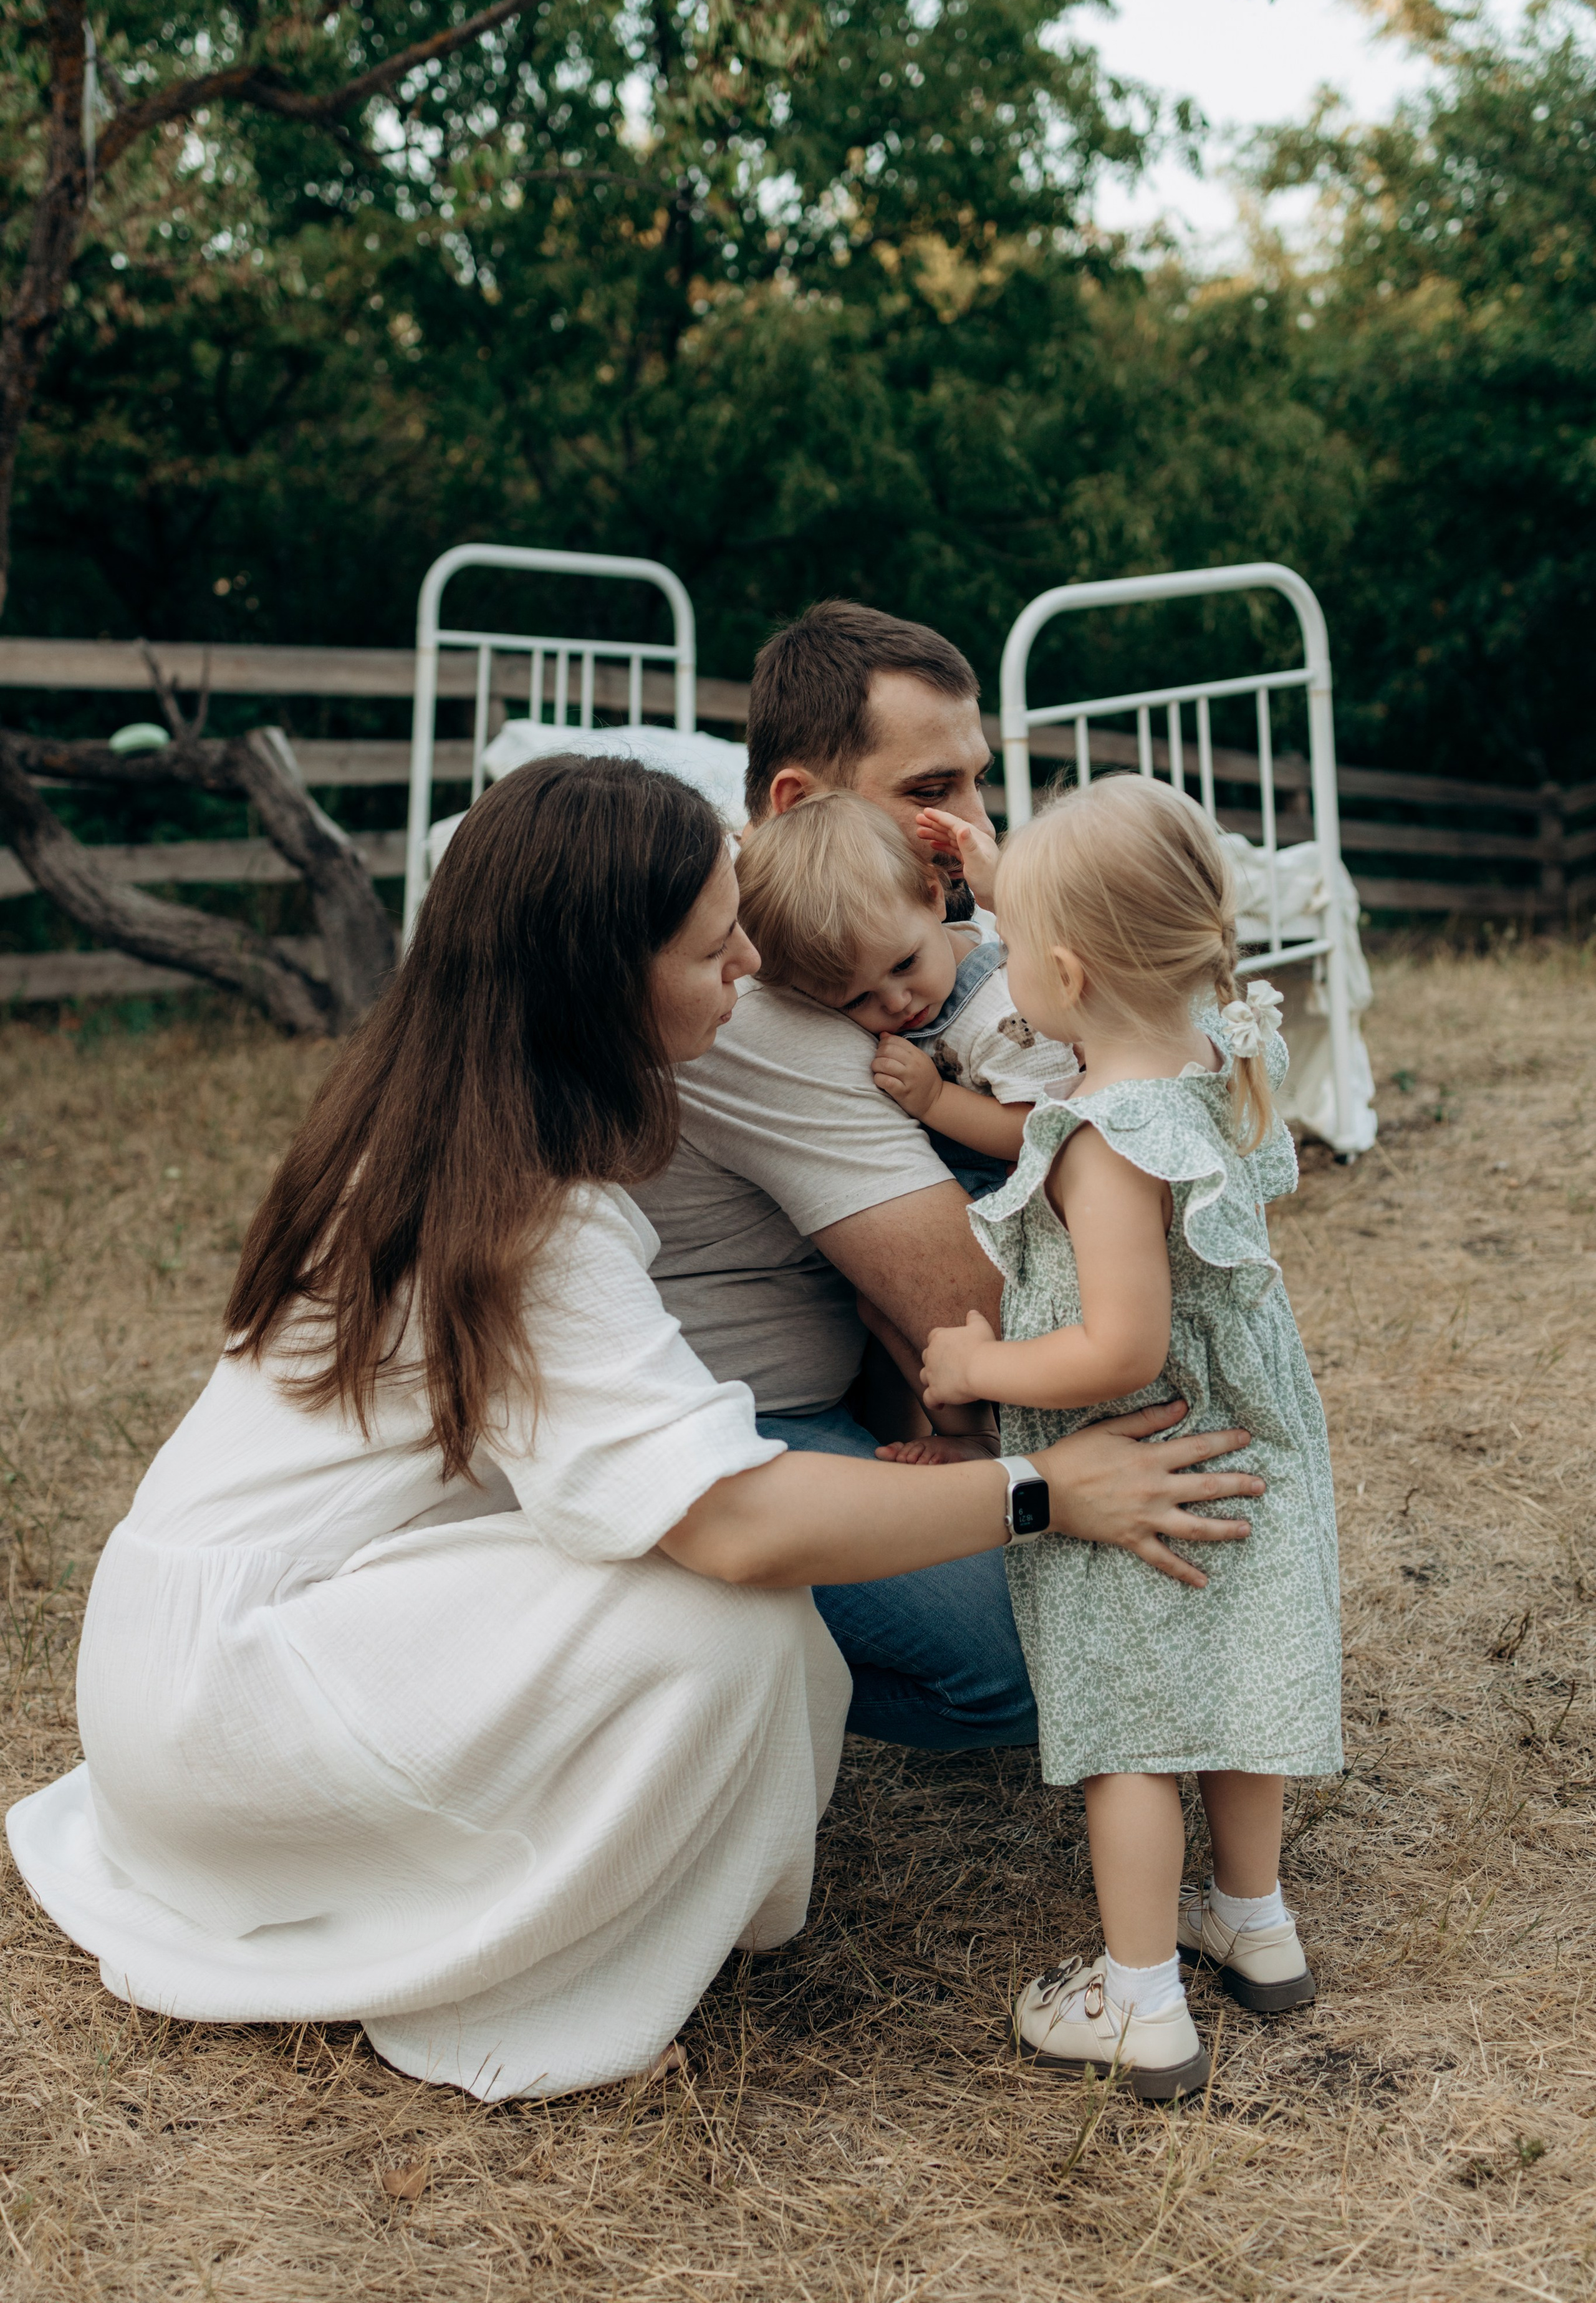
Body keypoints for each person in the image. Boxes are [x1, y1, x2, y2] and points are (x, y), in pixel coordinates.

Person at [5, 756, 1264, 2103]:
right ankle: (529, 1978)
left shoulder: (445, 1120)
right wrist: (1041, 1490)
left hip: (203, 1648)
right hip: (229, 1700)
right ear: (602, 975)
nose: (747, 960)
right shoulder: (517, 1211)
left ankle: (563, 1879)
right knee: (729, 1625)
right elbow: (728, 1520)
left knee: (748, 1620)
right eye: (713, 942)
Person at [914, 779, 1342, 2100]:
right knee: (1229, 1687)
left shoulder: (1106, 1138)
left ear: (1062, 969)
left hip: (1137, 1447)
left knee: (1133, 1732)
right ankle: (1252, 1923)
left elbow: (1119, 1347)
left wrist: (978, 1362)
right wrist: (1001, 875)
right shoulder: (1207, 1053)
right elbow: (1071, 1056)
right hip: (1241, 1448)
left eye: (1012, 945)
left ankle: (1139, 2001)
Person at [632, 600, 1046, 1748]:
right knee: (1025, 1654)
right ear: (797, 807)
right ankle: (703, 1670)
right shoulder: (777, 1005)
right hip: (739, 1430)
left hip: (844, 1388)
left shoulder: (887, 946)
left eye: (978, 783)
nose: (971, 827)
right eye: (930, 792)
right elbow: (985, 1315)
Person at [734, 790, 1077, 1199]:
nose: (897, 1003)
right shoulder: (902, 963)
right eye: (857, 1000)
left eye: (904, 965)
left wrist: (934, 1100)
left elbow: (1045, 1131)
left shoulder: (1005, 1014)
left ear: (934, 896)